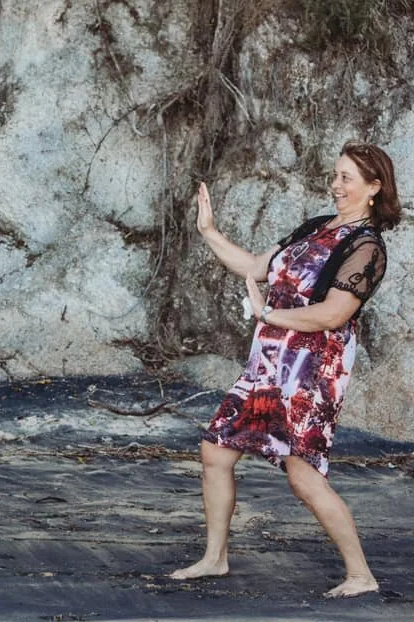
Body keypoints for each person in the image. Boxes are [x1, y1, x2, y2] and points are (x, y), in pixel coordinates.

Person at [170, 141, 400, 598]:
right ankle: (214, 558)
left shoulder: (367, 247)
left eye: (346, 178)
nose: (335, 185)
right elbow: (257, 268)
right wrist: (209, 230)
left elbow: (334, 314)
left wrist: (270, 316)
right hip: (268, 360)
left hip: (311, 369)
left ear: (374, 188)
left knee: (302, 473)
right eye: (334, 175)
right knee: (215, 450)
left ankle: (360, 574)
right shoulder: (316, 227)